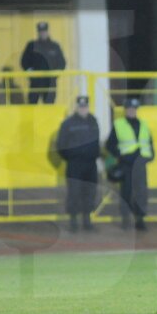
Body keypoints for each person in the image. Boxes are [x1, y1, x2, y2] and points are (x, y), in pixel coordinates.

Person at [106, 97, 154, 231]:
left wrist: (150, 156)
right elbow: (110, 145)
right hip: (126, 165)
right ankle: (125, 220)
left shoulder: (143, 124)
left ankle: (140, 220)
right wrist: (121, 156)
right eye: (130, 109)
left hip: (140, 165)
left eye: (134, 109)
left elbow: (149, 143)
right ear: (126, 110)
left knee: (141, 193)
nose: (132, 111)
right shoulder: (119, 124)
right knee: (126, 193)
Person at [56, 95, 101, 232]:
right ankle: (73, 222)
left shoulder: (93, 121)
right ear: (76, 107)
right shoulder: (68, 123)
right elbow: (61, 145)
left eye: (85, 106)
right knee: (74, 192)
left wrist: (94, 154)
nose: (83, 109)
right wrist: (72, 157)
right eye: (81, 106)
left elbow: (96, 141)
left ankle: (87, 221)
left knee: (90, 192)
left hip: (90, 164)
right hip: (75, 164)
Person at [21, 21, 67, 104]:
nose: (42, 33)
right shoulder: (32, 45)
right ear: (38, 32)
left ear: (48, 31)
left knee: (49, 108)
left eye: (44, 31)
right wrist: (29, 71)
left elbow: (62, 63)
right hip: (35, 82)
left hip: (50, 83)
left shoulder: (55, 46)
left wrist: (55, 74)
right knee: (31, 107)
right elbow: (24, 61)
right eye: (40, 31)